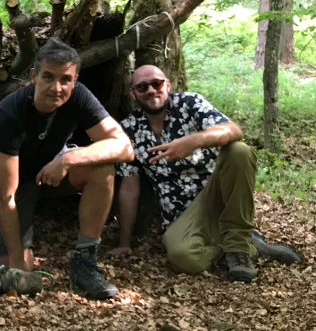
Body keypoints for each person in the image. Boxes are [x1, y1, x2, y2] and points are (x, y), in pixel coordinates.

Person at [111, 65, 302, 283]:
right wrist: (124, 242)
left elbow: (233, 130)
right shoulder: (129, 129)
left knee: (239, 150)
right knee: (184, 257)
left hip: (216, 194)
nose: (152, 90)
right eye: (142, 87)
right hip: (181, 215)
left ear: (168, 85)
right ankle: (249, 246)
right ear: (133, 93)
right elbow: (129, 187)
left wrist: (194, 141)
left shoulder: (189, 104)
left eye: (157, 83)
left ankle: (238, 246)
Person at [0, 38, 134, 300]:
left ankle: (85, 261)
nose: (56, 87)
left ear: (75, 80)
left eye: (65, 80)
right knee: (19, 269)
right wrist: (17, 267)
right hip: (11, 183)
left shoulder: (79, 96)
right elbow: (4, 198)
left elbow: (124, 148)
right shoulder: (9, 114)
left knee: (102, 166)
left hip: (52, 168)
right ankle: (18, 260)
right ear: (33, 76)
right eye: (48, 77)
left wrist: (69, 160)